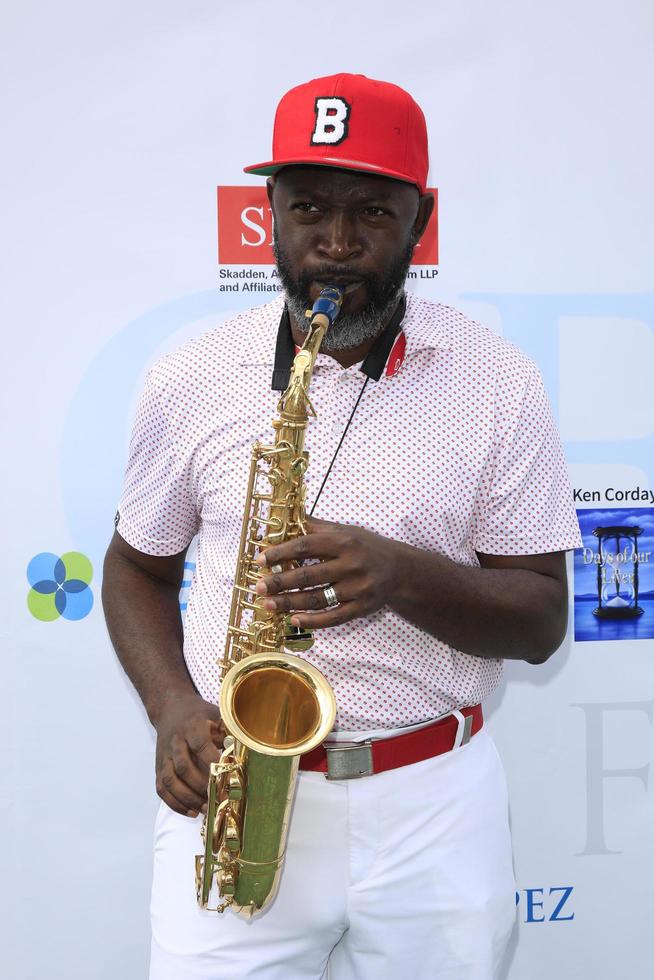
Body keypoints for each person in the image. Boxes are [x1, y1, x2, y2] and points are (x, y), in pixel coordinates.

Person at [102, 73, 582, 980]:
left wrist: (400, 576)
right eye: (308, 208)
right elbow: (134, 568)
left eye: (371, 213)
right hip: (236, 792)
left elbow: (540, 619)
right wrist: (172, 709)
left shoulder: (498, 379)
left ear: (420, 221)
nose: (334, 242)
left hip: (432, 807)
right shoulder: (190, 372)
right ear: (268, 215)